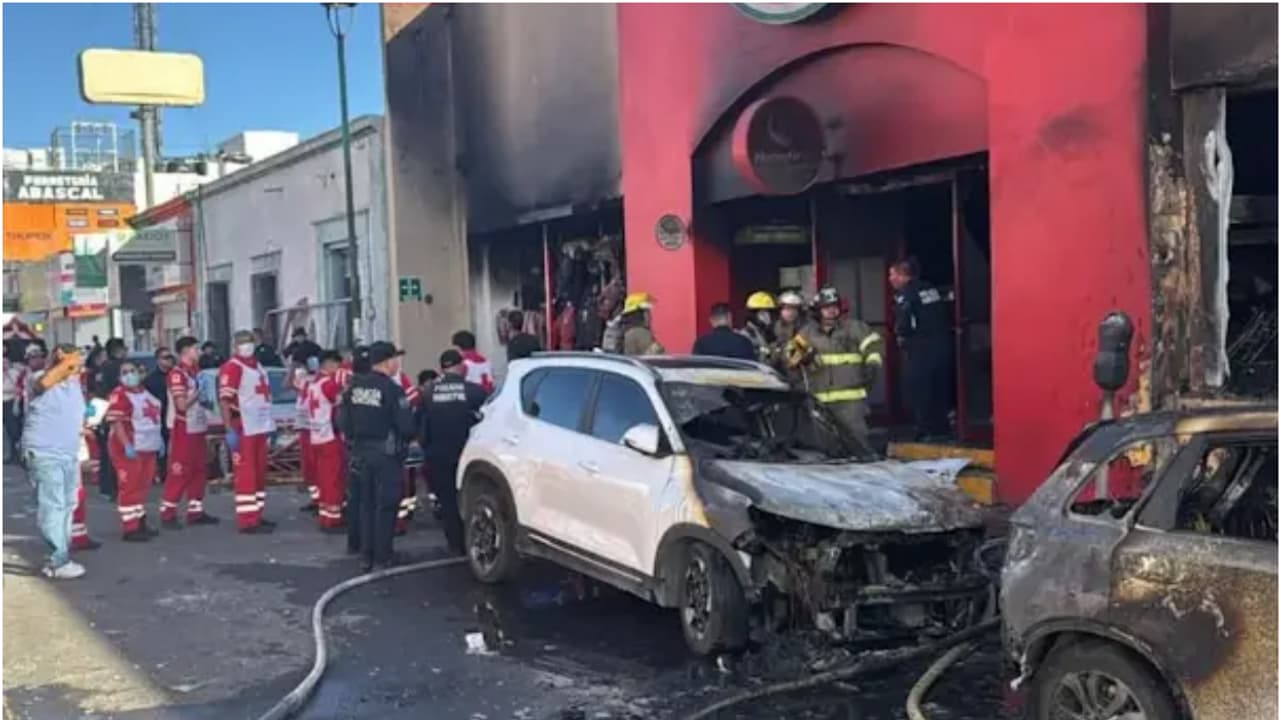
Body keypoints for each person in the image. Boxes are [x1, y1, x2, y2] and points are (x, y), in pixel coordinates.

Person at [339, 341, 416, 571]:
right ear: (387, 362)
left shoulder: (354, 387)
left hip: (360, 452)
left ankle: (366, 554)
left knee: (366, 504)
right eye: (395, 359)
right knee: (386, 505)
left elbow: (343, 421)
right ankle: (383, 555)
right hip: (386, 455)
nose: (397, 364)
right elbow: (406, 426)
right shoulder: (392, 389)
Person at [24, 344, 89, 578]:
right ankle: (56, 561)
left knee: (68, 504)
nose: (77, 367)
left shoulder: (74, 386)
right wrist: (63, 366)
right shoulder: (39, 378)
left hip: (68, 452)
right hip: (45, 453)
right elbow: (42, 385)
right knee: (52, 506)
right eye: (73, 362)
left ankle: (61, 554)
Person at [419, 349, 487, 554]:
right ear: (462, 367)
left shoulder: (428, 393)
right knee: (473, 498)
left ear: (441, 369)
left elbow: (421, 428)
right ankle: (474, 541)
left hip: (438, 455)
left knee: (448, 501)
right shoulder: (475, 392)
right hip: (468, 454)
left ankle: (455, 544)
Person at [798, 286, 884, 446]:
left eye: (834, 307)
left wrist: (872, 364)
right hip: (820, 399)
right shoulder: (807, 333)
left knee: (857, 441)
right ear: (817, 310)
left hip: (851, 400)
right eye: (826, 307)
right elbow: (789, 356)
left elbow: (874, 346)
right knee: (825, 444)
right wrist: (802, 358)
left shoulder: (855, 328)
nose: (831, 311)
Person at [219, 330, 277, 534]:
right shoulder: (233, 368)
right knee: (246, 474)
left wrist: (271, 425)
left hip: (259, 426)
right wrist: (228, 430)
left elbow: (264, 398)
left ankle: (257, 514)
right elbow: (225, 401)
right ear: (235, 346)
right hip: (242, 426)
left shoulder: (257, 366)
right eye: (243, 342)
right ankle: (247, 520)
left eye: (250, 342)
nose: (247, 346)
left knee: (259, 473)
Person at [889, 260, 953, 440]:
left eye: (892, 274)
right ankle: (942, 428)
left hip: (920, 348)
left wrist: (901, 336)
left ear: (903, 275)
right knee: (939, 387)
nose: (890, 279)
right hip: (941, 345)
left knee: (919, 389)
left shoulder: (906, 294)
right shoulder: (930, 289)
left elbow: (905, 321)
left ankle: (925, 430)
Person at [159, 336, 218, 528]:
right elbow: (181, 405)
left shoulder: (196, 373)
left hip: (199, 425)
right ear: (185, 351)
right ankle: (168, 512)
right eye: (195, 349)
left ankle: (196, 510)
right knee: (180, 470)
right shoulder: (178, 374)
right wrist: (198, 393)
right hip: (183, 427)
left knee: (199, 469)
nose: (198, 352)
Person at [105, 359, 164, 541]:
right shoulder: (119, 395)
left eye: (132, 371)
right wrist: (126, 445)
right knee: (129, 486)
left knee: (142, 485)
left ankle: (140, 521)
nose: (130, 375)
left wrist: (159, 439)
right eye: (125, 372)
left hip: (148, 445)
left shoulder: (144, 392)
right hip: (129, 446)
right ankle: (130, 527)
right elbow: (117, 422)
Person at [307, 351, 346, 531]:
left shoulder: (313, 383)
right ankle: (332, 519)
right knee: (333, 479)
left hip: (316, 436)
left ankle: (325, 516)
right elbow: (341, 405)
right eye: (337, 365)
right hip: (330, 436)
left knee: (323, 478)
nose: (338, 369)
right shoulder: (329, 384)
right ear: (329, 364)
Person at [93, 338, 127, 500]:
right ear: (118, 350)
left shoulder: (102, 368)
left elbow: (97, 392)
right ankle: (113, 487)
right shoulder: (116, 367)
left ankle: (106, 487)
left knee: (106, 452)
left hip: (101, 411)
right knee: (113, 452)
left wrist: (92, 418)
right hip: (114, 413)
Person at [292, 357, 319, 514]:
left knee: (319, 467)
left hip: (316, 429)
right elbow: (288, 384)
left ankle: (323, 501)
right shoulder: (303, 380)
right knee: (308, 468)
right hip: (304, 427)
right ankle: (315, 498)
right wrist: (294, 366)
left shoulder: (321, 381)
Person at [145, 347, 176, 483]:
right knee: (161, 450)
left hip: (176, 417)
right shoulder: (151, 380)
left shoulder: (177, 376)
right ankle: (162, 474)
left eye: (170, 357)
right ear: (158, 360)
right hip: (159, 420)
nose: (169, 360)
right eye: (165, 357)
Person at [739, 292, 779, 363]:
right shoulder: (746, 336)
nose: (767, 317)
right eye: (763, 313)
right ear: (752, 315)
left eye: (769, 313)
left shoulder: (768, 333)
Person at [621, 292, 664, 356]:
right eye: (647, 312)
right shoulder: (640, 333)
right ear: (642, 314)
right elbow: (656, 358)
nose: (650, 316)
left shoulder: (626, 331)